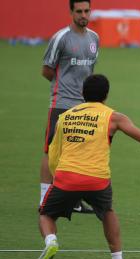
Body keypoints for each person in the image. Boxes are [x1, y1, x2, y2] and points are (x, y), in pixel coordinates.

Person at [36, 74, 140, 259]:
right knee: (107, 213)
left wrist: (60, 178)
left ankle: (51, 241)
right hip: (97, 180)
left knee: (46, 214)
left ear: (82, 94)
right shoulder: (113, 117)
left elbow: (54, 154)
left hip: (66, 177)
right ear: (106, 95)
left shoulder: (65, 117)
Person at [40, 0, 99, 213]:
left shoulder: (94, 39)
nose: (84, 15)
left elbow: (89, 71)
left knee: (77, 153)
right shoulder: (61, 38)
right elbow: (47, 70)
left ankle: (74, 201)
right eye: (79, 11)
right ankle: (44, 199)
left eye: (87, 11)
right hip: (61, 104)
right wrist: (63, 87)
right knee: (50, 152)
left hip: (84, 106)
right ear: (71, 12)